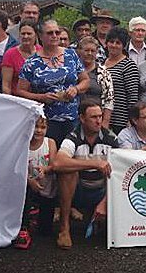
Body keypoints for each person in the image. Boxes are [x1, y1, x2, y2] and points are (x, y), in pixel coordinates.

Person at [51, 99, 117, 249]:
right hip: (78, 190)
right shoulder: (73, 137)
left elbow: (127, 161)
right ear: (82, 118)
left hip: (101, 191)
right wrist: (94, 163)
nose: (98, 121)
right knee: (67, 173)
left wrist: (105, 202)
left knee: (118, 172)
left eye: (100, 116)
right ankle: (64, 228)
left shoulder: (110, 138)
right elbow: (58, 163)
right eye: (93, 117)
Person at [16, 19, 89, 142]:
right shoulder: (31, 63)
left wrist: (76, 89)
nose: (55, 36)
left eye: (57, 32)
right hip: (45, 121)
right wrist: (41, 97)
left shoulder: (71, 55)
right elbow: (20, 91)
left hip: (72, 118)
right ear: (40, 36)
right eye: (50, 33)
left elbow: (85, 80)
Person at [13, 116, 58, 250]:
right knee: (25, 196)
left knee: (46, 232)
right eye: (36, 127)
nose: (38, 130)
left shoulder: (50, 143)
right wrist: (29, 180)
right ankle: (24, 226)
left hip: (47, 188)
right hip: (27, 186)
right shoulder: (23, 144)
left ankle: (36, 215)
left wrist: (45, 169)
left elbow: (54, 165)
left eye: (43, 127)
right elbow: (16, 167)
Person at [104, 27, 140, 134]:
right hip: (102, 117)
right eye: (111, 42)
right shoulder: (101, 63)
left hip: (121, 120)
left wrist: (131, 119)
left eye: (118, 43)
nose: (114, 45)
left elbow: (133, 96)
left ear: (123, 45)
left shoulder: (129, 65)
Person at [77, 36, 114, 129]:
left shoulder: (103, 72)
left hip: (96, 119)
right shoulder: (72, 70)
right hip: (75, 117)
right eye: (86, 50)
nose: (89, 53)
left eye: (92, 51)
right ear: (79, 51)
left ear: (97, 52)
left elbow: (109, 99)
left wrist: (105, 122)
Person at [1, 20, 41, 96]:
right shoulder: (10, 54)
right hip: (17, 99)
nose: (25, 36)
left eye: (29, 34)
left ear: (36, 35)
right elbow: (6, 85)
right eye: (23, 34)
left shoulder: (42, 51)